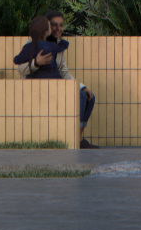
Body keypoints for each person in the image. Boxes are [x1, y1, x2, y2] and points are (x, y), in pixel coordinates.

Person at [12, 12, 96, 146]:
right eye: (54, 25)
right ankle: (73, 140)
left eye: (61, 25)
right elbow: (19, 69)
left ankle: (79, 138)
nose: (58, 28)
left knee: (88, 97)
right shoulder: (33, 43)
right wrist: (36, 63)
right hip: (37, 88)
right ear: (47, 27)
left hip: (57, 85)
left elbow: (64, 72)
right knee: (79, 97)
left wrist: (82, 87)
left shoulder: (58, 46)